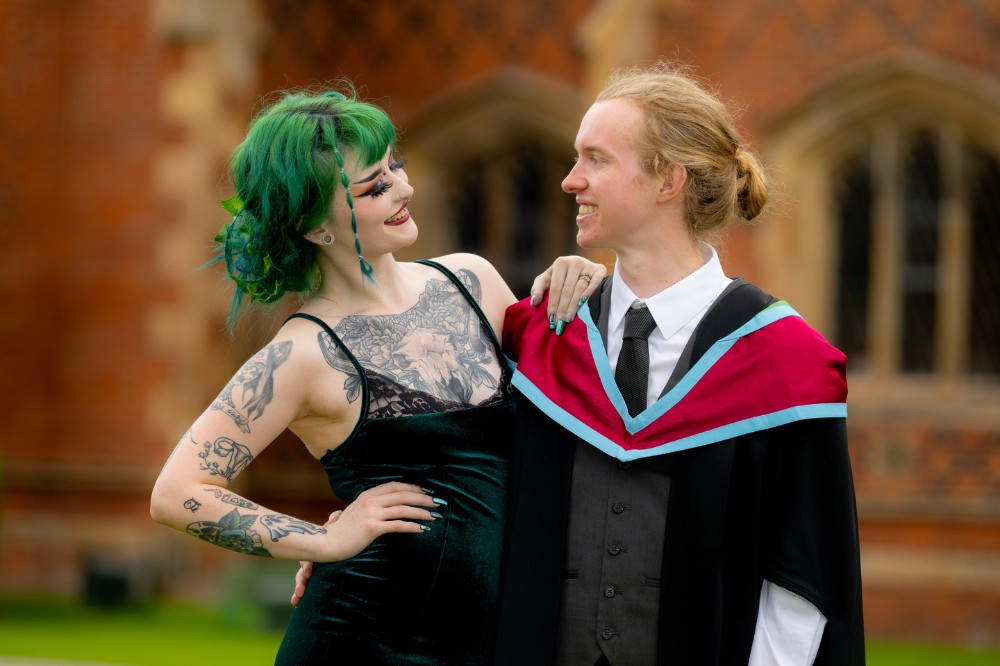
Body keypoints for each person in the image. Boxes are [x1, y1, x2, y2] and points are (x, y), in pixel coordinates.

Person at [149, 86, 604, 664]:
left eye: (397, 167)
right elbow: (177, 492)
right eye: (376, 186)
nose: (405, 189)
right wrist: (326, 539)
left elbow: (564, 397)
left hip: (490, 637)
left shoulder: (471, 280)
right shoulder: (302, 354)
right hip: (361, 637)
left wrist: (580, 278)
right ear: (315, 227)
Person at [496, 61, 865, 664]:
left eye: (596, 159)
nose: (569, 181)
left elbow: (803, 576)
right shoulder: (545, 334)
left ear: (668, 179)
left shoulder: (786, 365)